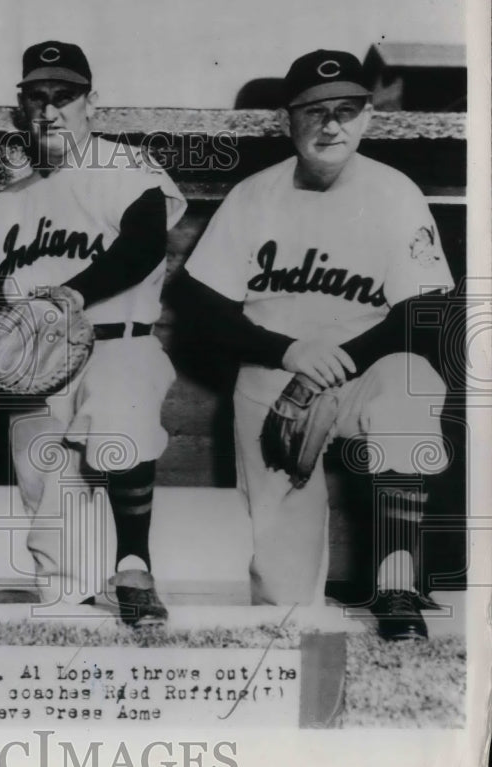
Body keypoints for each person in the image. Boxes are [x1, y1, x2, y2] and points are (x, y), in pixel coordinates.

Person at [177, 49, 453, 640]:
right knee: (285, 603)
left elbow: (426, 309)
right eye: (314, 111)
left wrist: (340, 359)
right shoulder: (254, 196)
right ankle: (292, 611)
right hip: (276, 374)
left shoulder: (395, 192)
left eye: (346, 110)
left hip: (367, 369)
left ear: (368, 117)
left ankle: (396, 581)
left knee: (411, 386)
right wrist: (288, 353)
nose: (331, 125)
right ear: (288, 120)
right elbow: (200, 302)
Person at [0, 41, 187, 624]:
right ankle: (67, 603)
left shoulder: (126, 165)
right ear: (22, 107)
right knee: (49, 512)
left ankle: (133, 564)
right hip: (35, 360)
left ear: (92, 102)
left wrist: (70, 296)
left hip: (117, 340)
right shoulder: (11, 198)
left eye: (65, 96)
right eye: (37, 97)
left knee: (120, 418)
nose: (50, 110)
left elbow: (143, 245)